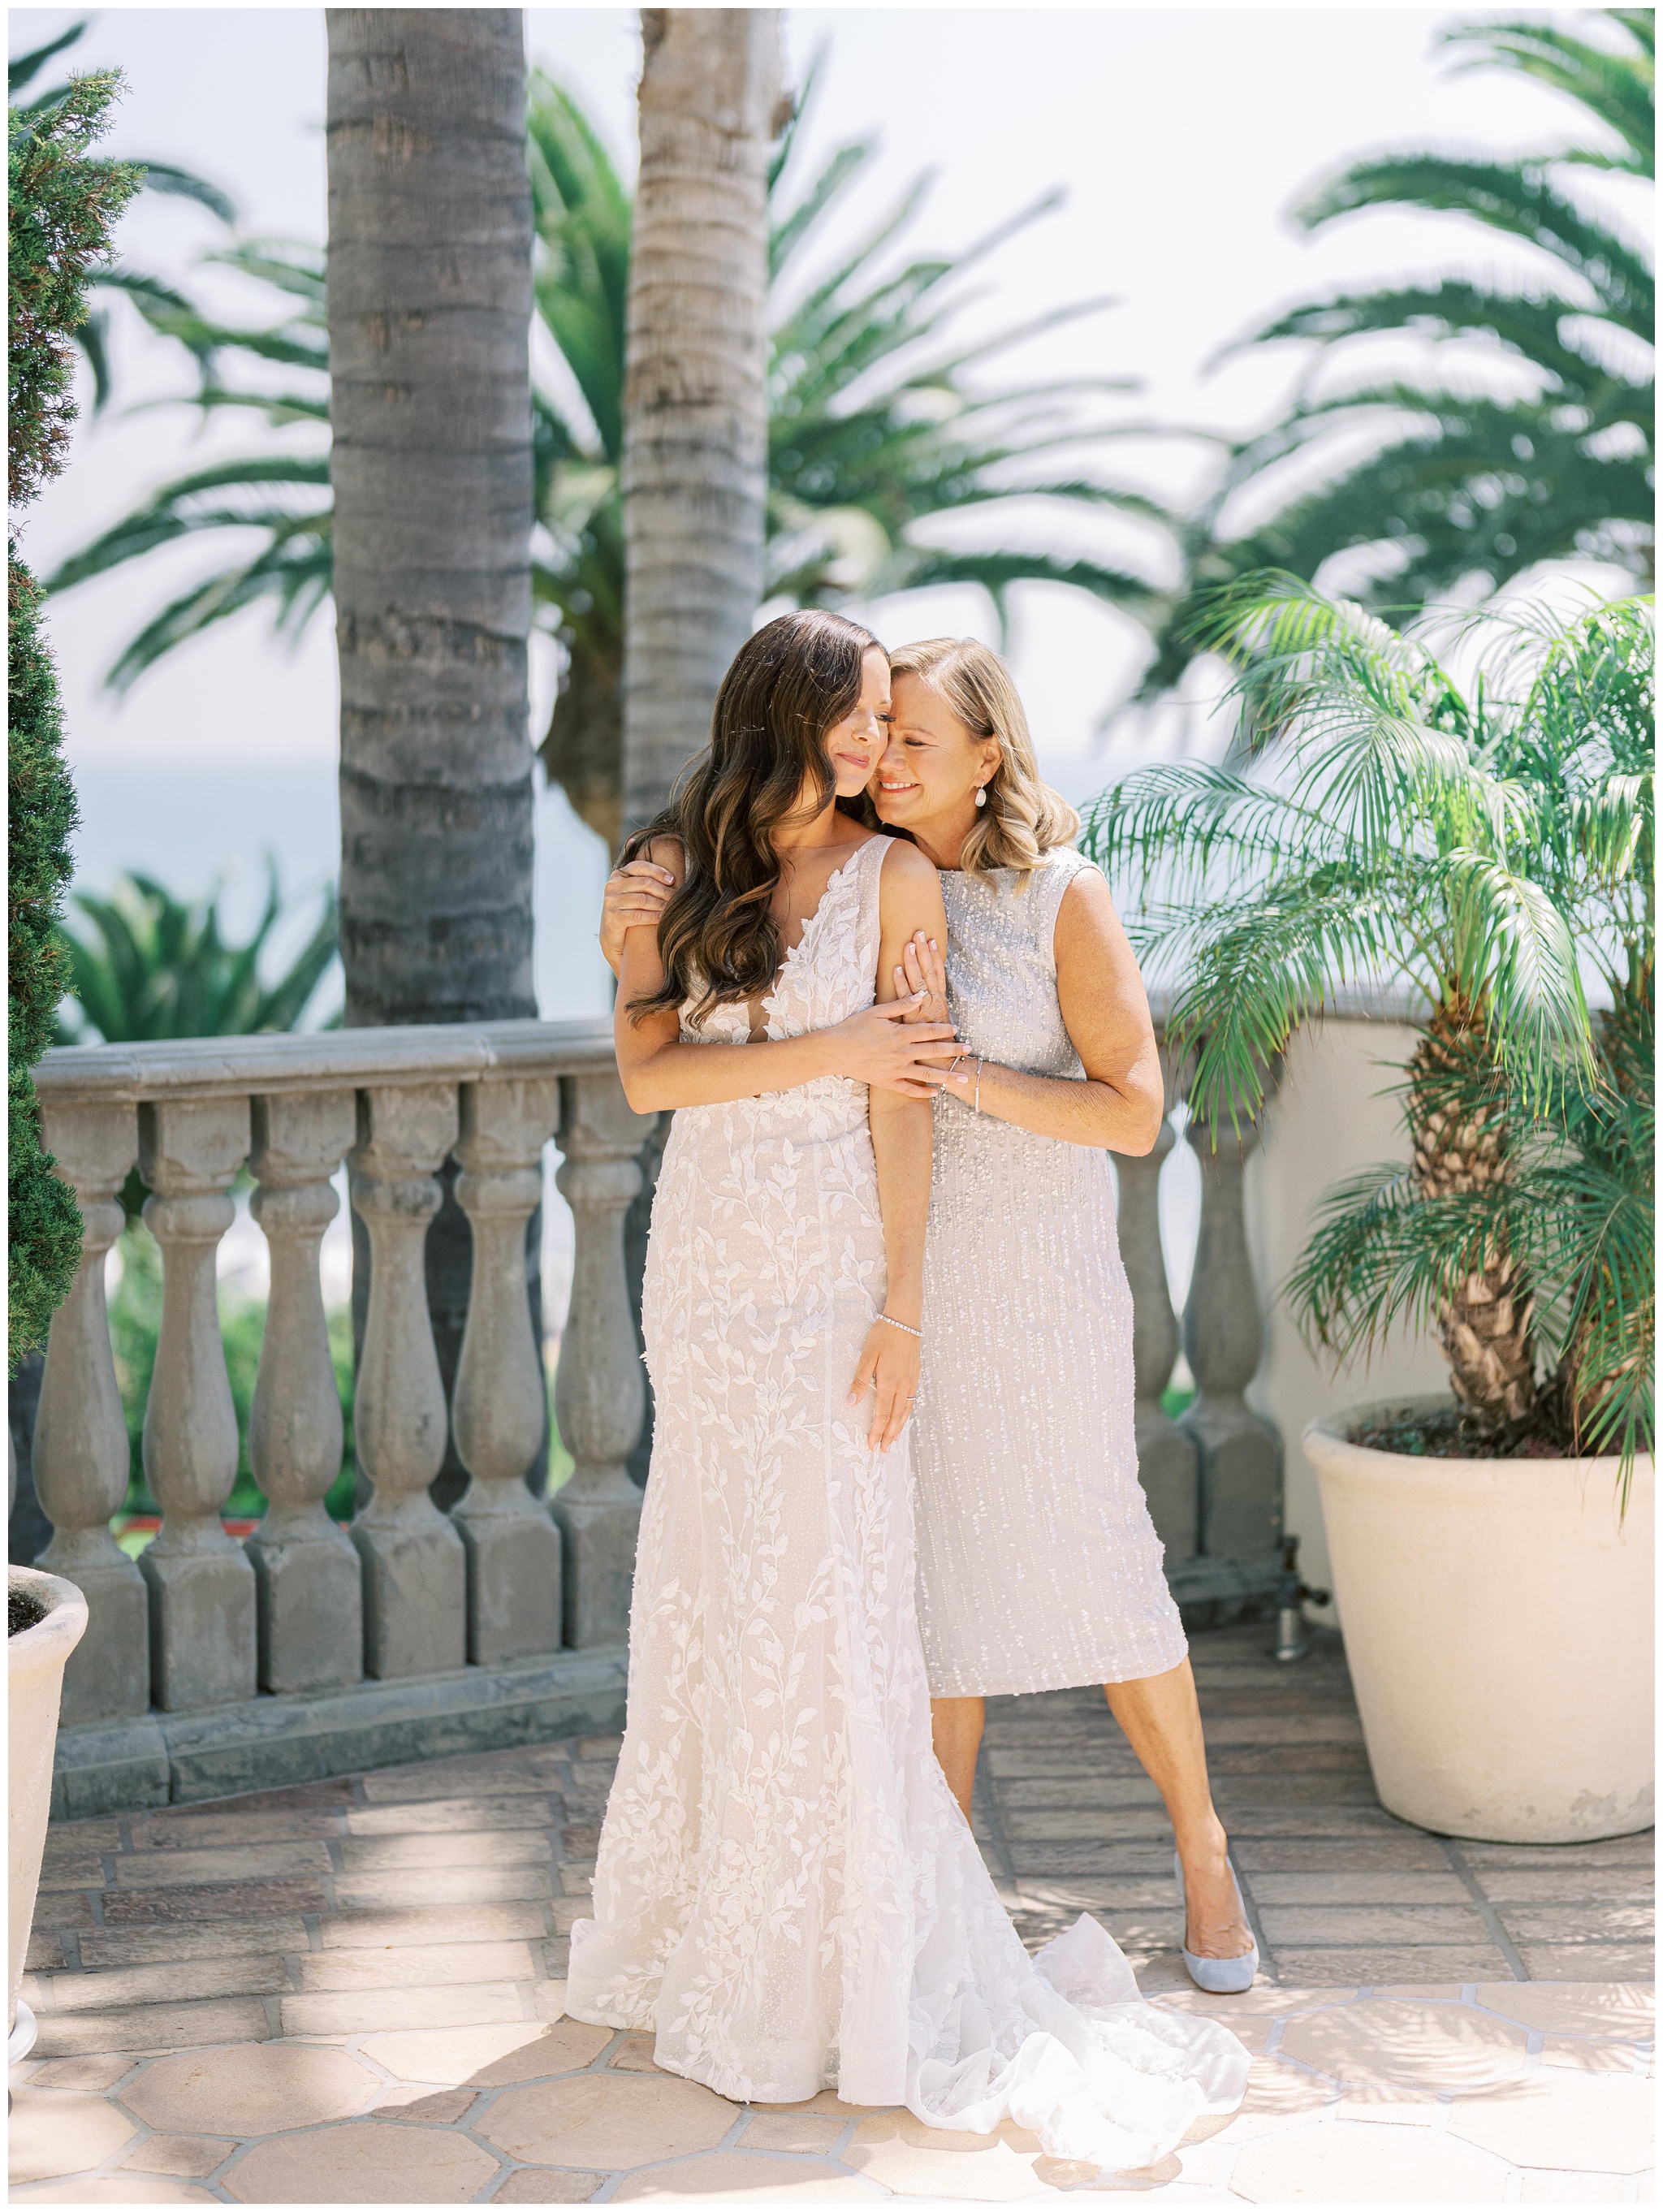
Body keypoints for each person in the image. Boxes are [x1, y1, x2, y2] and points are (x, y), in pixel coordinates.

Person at [568, 609, 1248, 2167]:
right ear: (792, 721)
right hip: (720, 1277)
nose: (882, 749)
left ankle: (1138, 1869)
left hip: (931, 1281)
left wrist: (902, 1295)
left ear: (985, 757)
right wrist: (654, 945)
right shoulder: (684, 865)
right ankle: (766, 1923)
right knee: (782, 1597)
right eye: (868, 721)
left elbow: (983, 1106)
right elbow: (652, 1070)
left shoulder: (949, 885)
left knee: (977, 1584)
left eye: (905, 727)